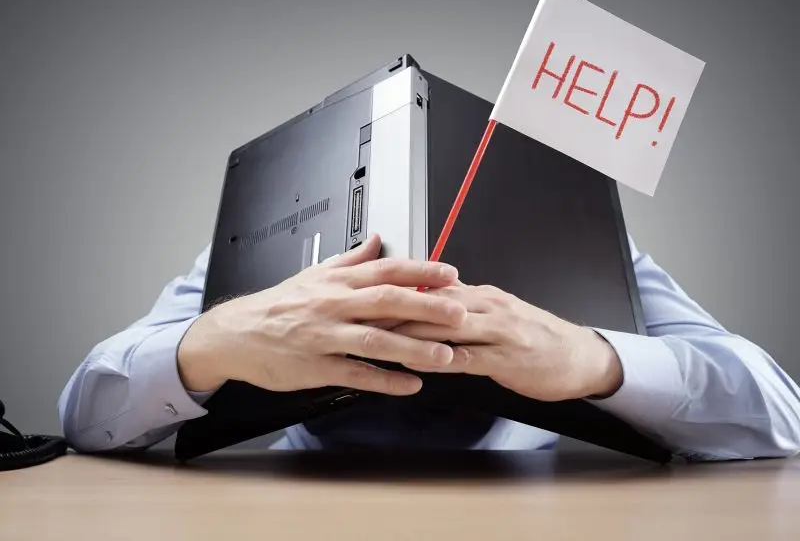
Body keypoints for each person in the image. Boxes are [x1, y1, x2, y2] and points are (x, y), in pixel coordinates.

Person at [58, 233, 800, 460]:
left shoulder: (600, 249)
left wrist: (594, 361)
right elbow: (86, 417)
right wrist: (210, 342)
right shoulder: (266, 266)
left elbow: (779, 414)